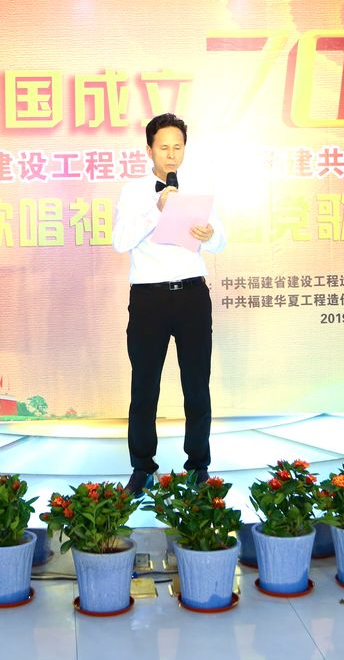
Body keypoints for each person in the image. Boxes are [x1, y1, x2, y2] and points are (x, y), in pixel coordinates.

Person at [112, 113, 227, 495]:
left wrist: (210, 235)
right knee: (144, 388)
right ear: (149, 150)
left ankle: (198, 466)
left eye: (178, 147)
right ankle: (142, 468)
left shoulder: (198, 190)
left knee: (197, 386)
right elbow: (120, 242)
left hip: (192, 295)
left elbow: (220, 242)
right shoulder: (133, 193)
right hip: (149, 298)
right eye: (164, 147)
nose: (171, 154)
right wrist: (156, 209)